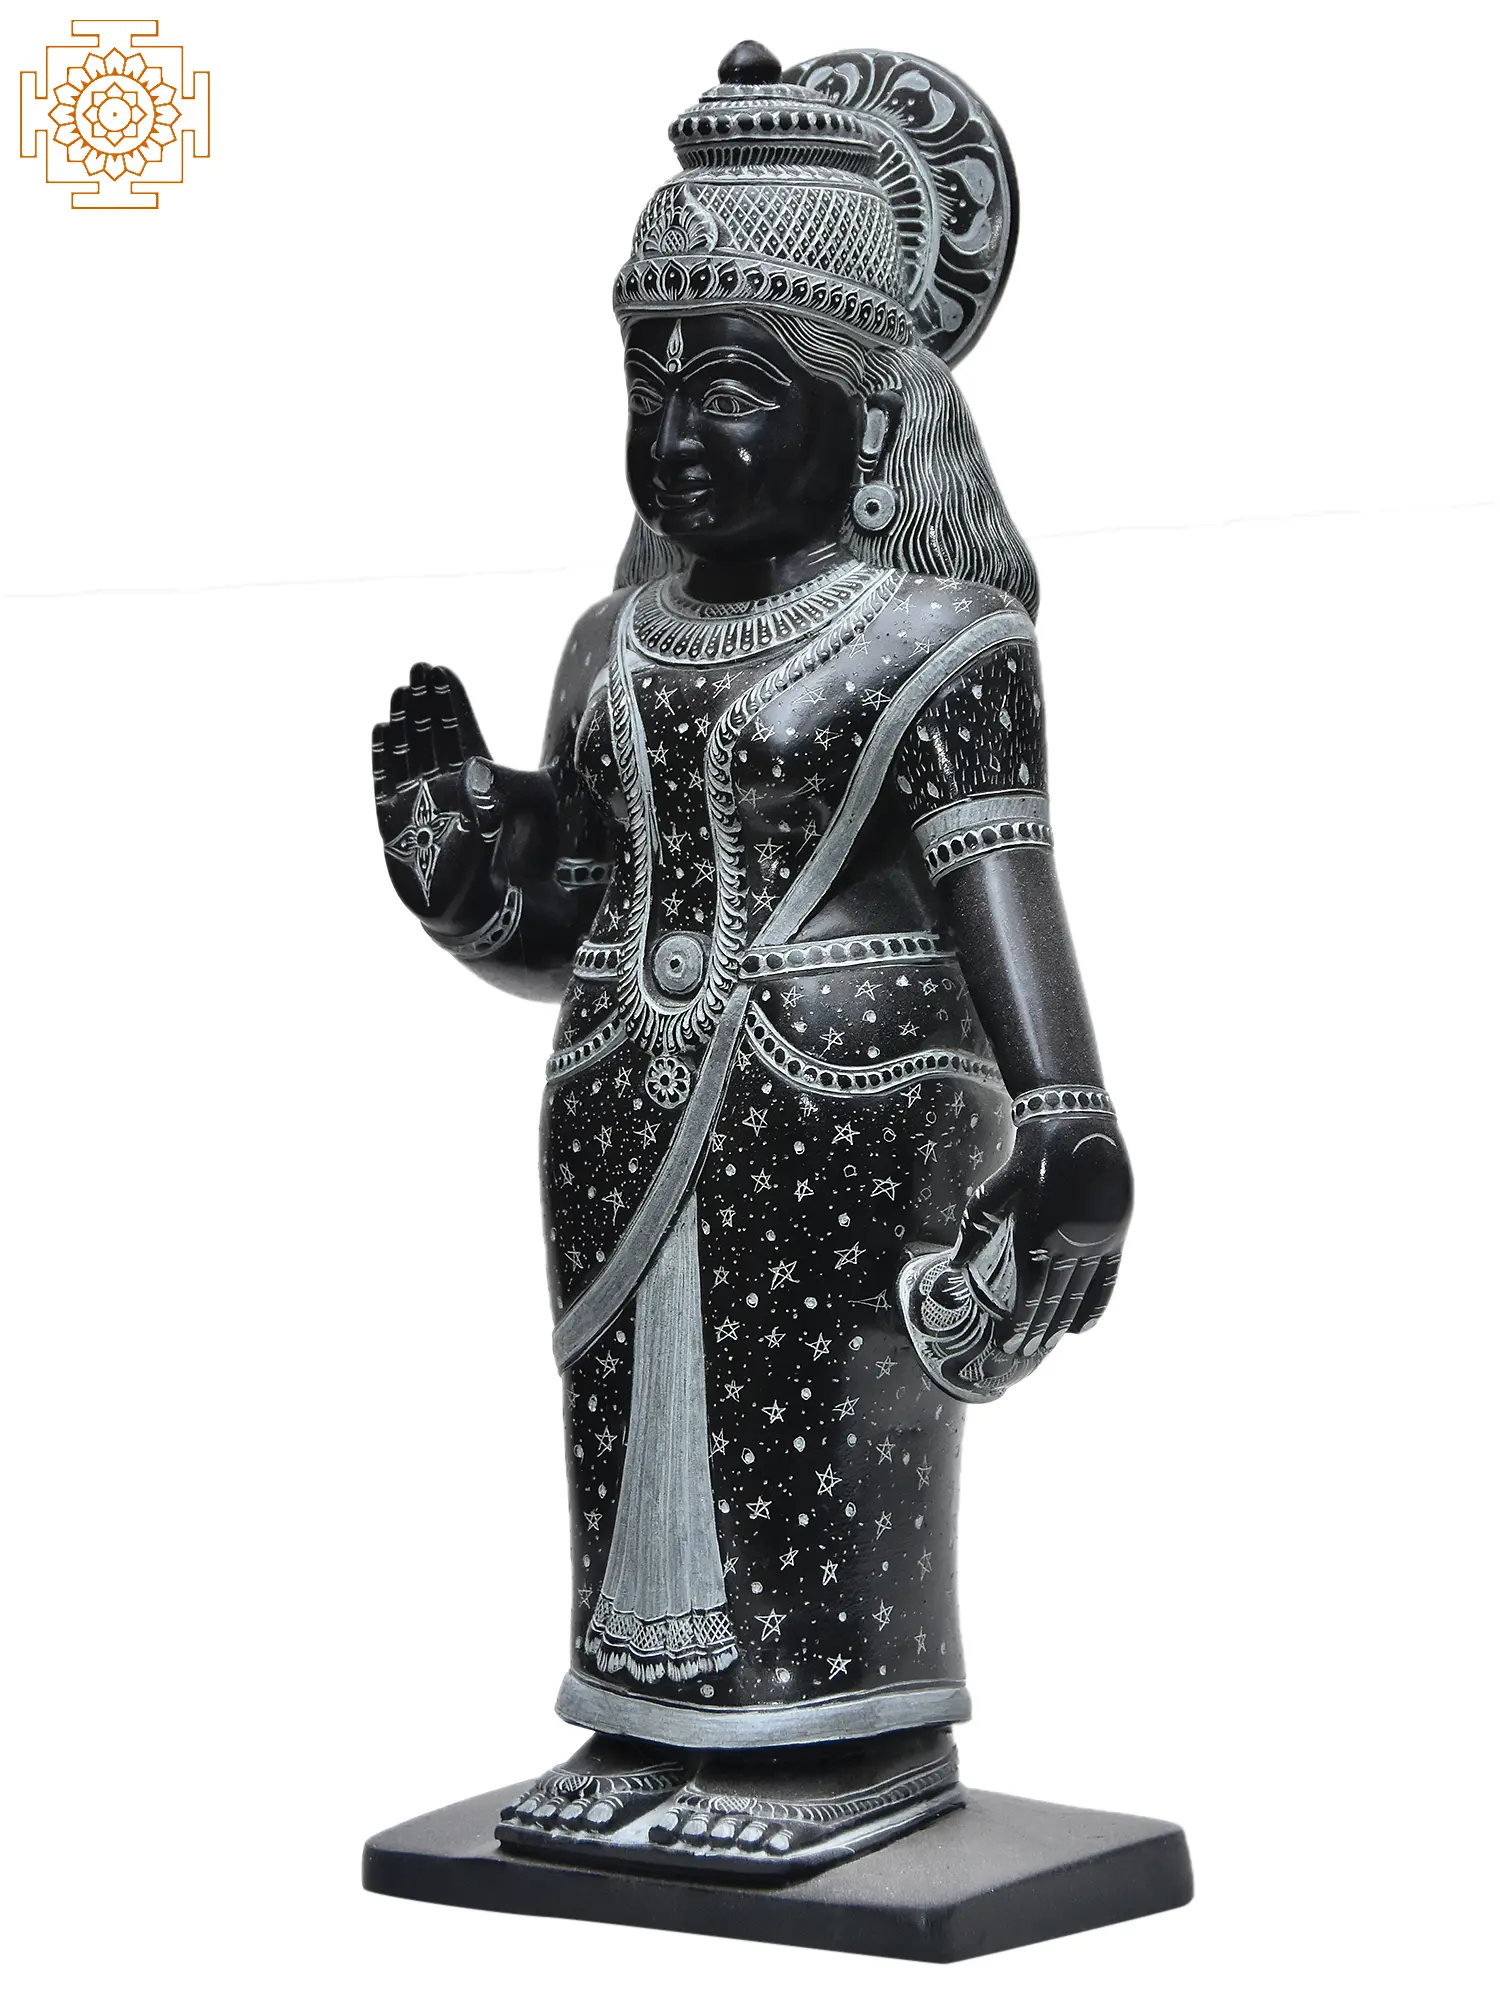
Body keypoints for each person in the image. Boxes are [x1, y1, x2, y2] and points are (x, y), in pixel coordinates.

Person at [371, 43, 1131, 1876]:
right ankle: (652, 1718)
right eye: (650, 383)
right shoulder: (611, 636)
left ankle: (849, 1733)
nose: (681, 433)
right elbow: (592, 914)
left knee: (824, 1425)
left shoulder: (944, 639)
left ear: (871, 424)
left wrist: (1069, 1116)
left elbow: (1002, 886)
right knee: (634, 1411)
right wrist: (470, 878)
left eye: (735, 388)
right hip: (616, 1092)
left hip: (852, 1101)